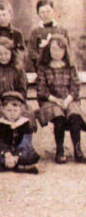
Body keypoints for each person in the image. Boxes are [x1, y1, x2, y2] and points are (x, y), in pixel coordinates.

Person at [36, 34, 86, 164]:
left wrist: (68, 100)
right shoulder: (43, 67)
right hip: (51, 101)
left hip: (69, 99)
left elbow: (75, 87)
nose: (56, 52)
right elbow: (42, 90)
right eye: (53, 49)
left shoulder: (70, 66)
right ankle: (60, 150)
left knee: (74, 116)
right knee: (59, 118)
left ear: (65, 51)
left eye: (60, 49)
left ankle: (78, 150)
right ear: (48, 50)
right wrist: (56, 100)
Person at [0, 37, 34, 133]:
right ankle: (2, 145)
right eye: (0, 54)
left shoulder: (18, 69)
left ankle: (23, 145)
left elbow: (23, 90)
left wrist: (15, 101)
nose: (3, 56)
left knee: (25, 115)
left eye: (6, 53)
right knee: (1, 115)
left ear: (12, 53)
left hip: (17, 102)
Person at [0, 91, 39, 174]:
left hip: (21, 153)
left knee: (33, 156)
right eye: (9, 110)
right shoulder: (0, 124)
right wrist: (7, 154)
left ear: (21, 109)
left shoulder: (25, 123)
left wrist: (16, 156)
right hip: (6, 153)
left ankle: (11, 164)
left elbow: (26, 142)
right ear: (3, 110)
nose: (12, 113)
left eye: (15, 110)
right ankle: (21, 166)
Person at [27, 0, 70, 71]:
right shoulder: (34, 32)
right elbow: (31, 51)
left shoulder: (62, 30)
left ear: (53, 11)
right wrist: (43, 61)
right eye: (42, 12)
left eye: (48, 11)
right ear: (38, 14)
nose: (45, 14)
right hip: (41, 67)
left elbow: (68, 49)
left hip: (60, 67)